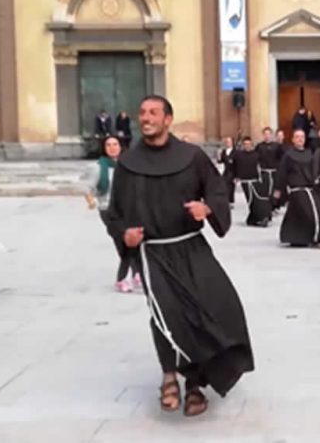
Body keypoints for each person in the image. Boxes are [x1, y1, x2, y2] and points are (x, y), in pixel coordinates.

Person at [106, 95, 254, 416]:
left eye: (153, 112)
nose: (146, 117)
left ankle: (197, 380)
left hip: (190, 246)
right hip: (154, 253)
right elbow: (114, 212)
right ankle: (171, 376)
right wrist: (124, 235)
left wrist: (208, 208)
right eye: (142, 112)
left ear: (168, 119)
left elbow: (215, 190)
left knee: (213, 307)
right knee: (167, 312)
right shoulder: (129, 163)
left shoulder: (192, 156)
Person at [85, 135, 140, 293]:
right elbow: (86, 187)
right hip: (108, 210)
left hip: (128, 209)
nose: (112, 147)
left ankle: (137, 274)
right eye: (108, 145)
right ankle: (122, 279)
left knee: (134, 242)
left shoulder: (127, 165)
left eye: (115, 144)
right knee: (123, 244)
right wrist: (91, 201)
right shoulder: (98, 167)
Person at [274, 129, 320, 247]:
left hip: (309, 188)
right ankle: (312, 238)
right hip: (297, 190)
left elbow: (313, 170)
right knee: (308, 214)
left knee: (317, 212)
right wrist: (278, 189)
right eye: (297, 137)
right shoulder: (288, 155)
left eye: (302, 137)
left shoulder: (309, 153)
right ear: (293, 139)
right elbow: (282, 173)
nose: (300, 139)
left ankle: (299, 237)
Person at [233, 137, 272, 227]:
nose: (247, 146)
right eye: (245, 144)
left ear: (252, 145)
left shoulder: (256, 155)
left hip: (255, 180)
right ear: (243, 145)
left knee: (258, 200)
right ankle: (254, 218)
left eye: (249, 144)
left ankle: (261, 217)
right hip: (245, 181)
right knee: (250, 200)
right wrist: (235, 177)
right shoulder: (238, 155)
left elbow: (261, 166)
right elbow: (234, 166)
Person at [255, 127, 284, 208]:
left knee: (275, 190)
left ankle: (274, 206)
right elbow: (255, 158)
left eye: (268, 134)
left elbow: (281, 158)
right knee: (265, 190)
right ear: (263, 135)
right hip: (264, 172)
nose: (267, 136)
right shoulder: (259, 146)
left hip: (274, 171)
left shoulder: (277, 146)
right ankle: (266, 207)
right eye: (265, 134)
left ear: (271, 135)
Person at [217, 136, 236, 205]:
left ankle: (231, 201)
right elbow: (220, 161)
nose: (228, 143)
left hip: (233, 172)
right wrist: (218, 156)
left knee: (231, 187)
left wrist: (237, 175)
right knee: (224, 186)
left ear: (232, 143)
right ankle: (226, 201)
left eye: (229, 142)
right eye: (227, 142)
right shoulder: (224, 151)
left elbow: (238, 163)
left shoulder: (235, 152)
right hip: (225, 171)